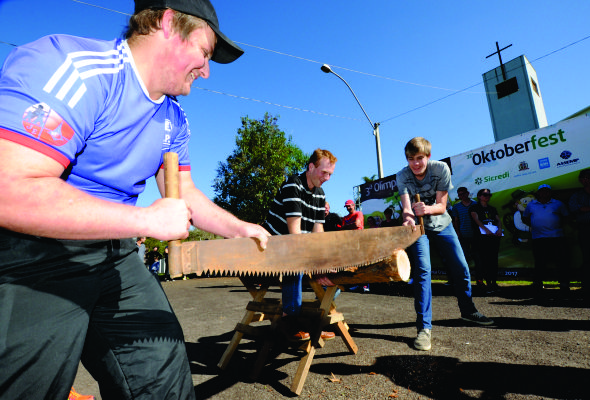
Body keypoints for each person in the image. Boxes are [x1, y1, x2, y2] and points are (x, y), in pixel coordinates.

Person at [0, 1, 270, 398]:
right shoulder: (73, 68)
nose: (207, 70)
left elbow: (185, 194)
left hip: (116, 254)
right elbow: (10, 188)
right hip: (36, 254)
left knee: (164, 378)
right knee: (27, 387)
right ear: (166, 23)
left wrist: (240, 229)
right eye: (205, 52)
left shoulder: (175, 118)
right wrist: (146, 221)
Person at [396, 137, 493, 352]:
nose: (416, 164)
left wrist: (426, 209)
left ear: (428, 157)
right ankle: (424, 328)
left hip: (442, 224)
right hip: (419, 228)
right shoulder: (403, 175)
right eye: (411, 159)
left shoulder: (440, 169)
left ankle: (468, 311)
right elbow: (406, 207)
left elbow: (441, 206)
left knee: (461, 267)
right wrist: (408, 218)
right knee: (423, 271)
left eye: (420, 158)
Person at [263, 149, 337, 342]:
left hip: (296, 248)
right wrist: (316, 265)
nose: (327, 178)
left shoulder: (320, 194)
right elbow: (294, 236)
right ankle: (289, 319)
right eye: (324, 172)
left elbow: (317, 233)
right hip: (274, 248)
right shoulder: (293, 185)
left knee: (339, 268)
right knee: (294, 257)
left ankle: (313, 320)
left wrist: (324, 262)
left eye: (330, 174)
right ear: (311, 167)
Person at [521, 184, 570, 295]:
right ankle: (538, 283)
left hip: (557, 237)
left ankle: (564, 284)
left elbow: (566, 217)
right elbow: (525, 217)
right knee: (540, 262)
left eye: (547, 191)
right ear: (538, 193)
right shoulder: (531, 204)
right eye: (542, 191)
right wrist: (535, 226)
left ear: (550, 192)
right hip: (539, 238)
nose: (544, 193)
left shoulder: (558, 203)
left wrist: (558, 226)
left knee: (561, 261)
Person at [569, 169, 590, 300]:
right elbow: (578, 209)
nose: (588, 179)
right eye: (585, 177)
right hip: (586, 230)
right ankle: (589, 288)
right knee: (589, 259)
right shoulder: (577, 195)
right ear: (580, 180)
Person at [469, 188, 503, 293]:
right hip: (480, 239)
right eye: (484, 194)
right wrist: (486, 230)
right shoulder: (474, 207)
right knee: (481, 261)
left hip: (492, 239)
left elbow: (498, 220)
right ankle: (480, 282)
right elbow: (476, 219)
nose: (487, 196)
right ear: (479, 196)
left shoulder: (492, 208)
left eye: (489, 195)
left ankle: (492, 282)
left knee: (493, 261)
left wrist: (500, 229)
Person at [451, 188, 481, 284]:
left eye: (464, 194)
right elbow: (456, 221)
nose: (462, 196)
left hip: (476, 235)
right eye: (460, 195)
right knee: (464, 258)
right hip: (463, 235)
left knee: (478, 258)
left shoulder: (475, 204)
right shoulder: (456, 206)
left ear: (468, 193)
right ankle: (464, 280)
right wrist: (458, 233)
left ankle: (479, 279)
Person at [341, 199, 369, 292]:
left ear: (353, 205)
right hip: (349, 243)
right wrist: (349, 226)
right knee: (352, 264)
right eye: (347, 206)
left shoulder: (358, 213)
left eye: (349, 206)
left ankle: (365, 285)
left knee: (361, 263)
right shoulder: (345, 217)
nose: (348, 208)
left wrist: (346, 227)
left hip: (359, 241)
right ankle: (356, 284)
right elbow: (342, 229)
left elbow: (357, 225)